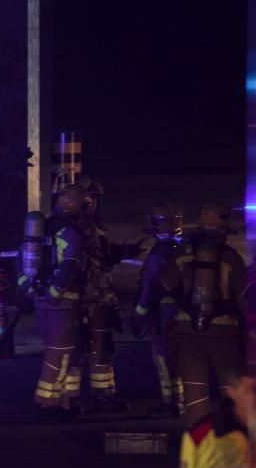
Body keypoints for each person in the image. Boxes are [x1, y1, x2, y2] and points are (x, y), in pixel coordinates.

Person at [163, 203, 247, 426]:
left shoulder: (183, 252)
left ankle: (199, 440)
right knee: (230, 386)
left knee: (194, 387)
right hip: (224, 331)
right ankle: (231, 435)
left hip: (186, 329)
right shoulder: (230, 257)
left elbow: (167, 283)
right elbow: (243, 294)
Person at [67, 176, 142, 412]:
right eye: (90, 198)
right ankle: (70, 397)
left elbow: (100, 259)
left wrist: (119, 252)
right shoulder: (71, 228)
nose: (93, 203)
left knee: (103, 347)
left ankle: (104, 395)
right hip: (78, 299)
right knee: (76, 348)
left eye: (96, 199)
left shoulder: (95, 227)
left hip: (100, 297)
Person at [20, 184, 89, 418]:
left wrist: (30, 290)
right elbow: (70, 265)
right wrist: (57, 292)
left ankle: (65, 398)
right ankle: (49, 401)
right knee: (59, 352)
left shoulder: (43, 229)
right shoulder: (71, 232)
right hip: (63, 301)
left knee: (56, 349)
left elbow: (22, 260)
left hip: (41, 298)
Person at [129, 202, 185, 417]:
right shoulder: (187, 248)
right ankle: (182, 401)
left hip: (163, 315)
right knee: (181, 358)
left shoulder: (158, 254)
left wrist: (138, 316)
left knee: (163, 358)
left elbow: (148, 289)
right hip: (186, 315)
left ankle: (168, 402)